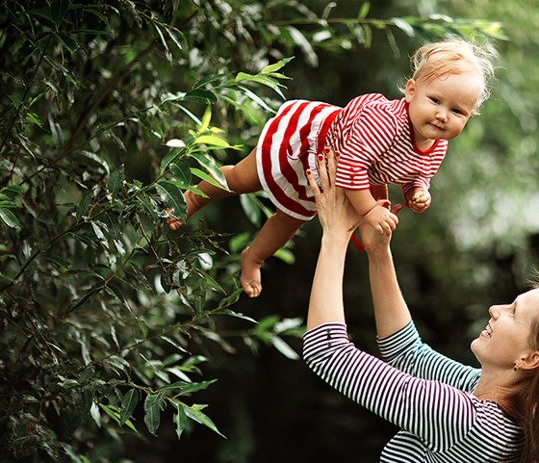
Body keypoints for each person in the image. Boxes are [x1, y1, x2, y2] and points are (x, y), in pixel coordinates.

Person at [303, 148, 539, 462]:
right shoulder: (485, 394)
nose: (495, 309)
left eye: (513, 313)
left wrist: (334, 234)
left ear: (529, 359)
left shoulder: (465, 420)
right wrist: (379, 252)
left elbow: (327, 353)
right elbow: (407, 354)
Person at [167, 37, 496, 298]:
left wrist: (417, 191)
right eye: (435, 101)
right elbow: (352, 166)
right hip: (310, 143)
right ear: (411, 91)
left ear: (469, 117)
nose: (443, 115)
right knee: (242, 178)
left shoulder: (437, 145)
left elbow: (415, 172)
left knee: (292, 218)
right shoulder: (384, 122)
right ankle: (195, 198)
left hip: (329, 174)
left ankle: (253, 258)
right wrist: (368, 210)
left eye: (457, 111)